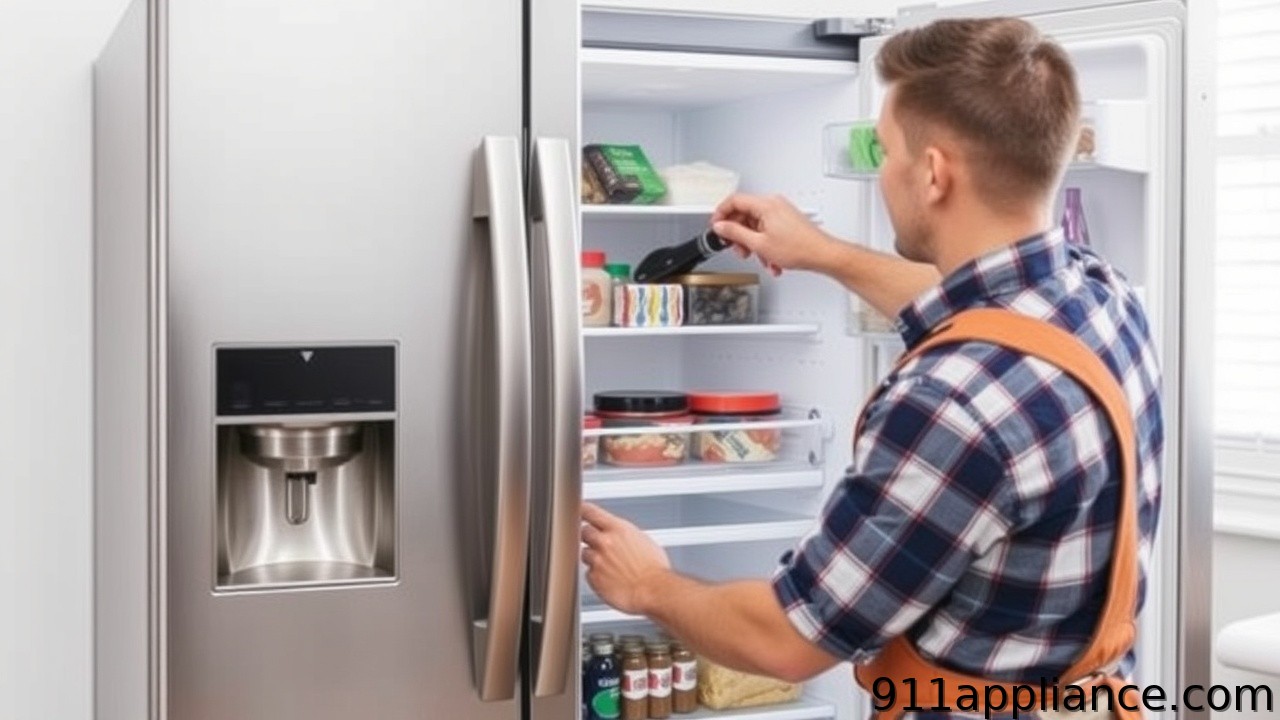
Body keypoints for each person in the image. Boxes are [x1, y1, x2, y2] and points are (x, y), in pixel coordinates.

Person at [580, 16, 1163, 718]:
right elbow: (979, 309)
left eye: (883, 151)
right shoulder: (1105, 296)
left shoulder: (948, 404)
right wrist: (822, 252)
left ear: (935, 172)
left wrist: (649, 585)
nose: (880, 171)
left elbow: (790, 641)